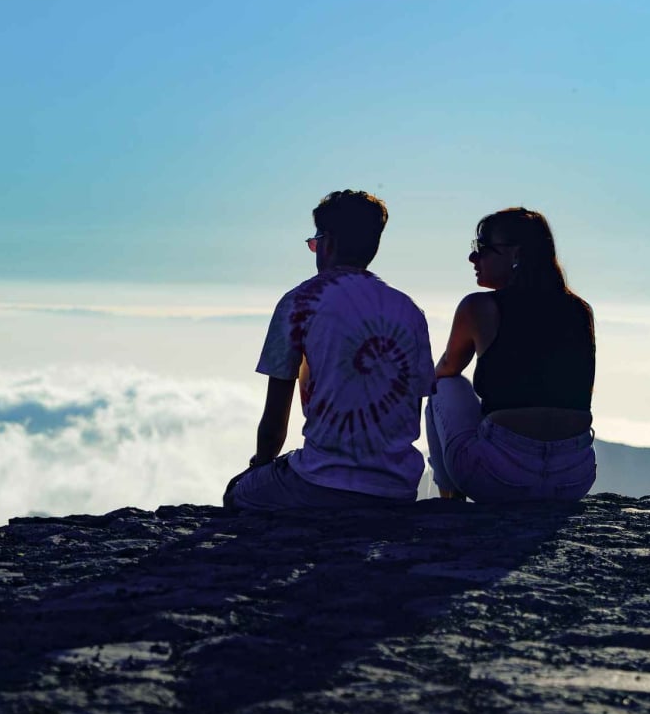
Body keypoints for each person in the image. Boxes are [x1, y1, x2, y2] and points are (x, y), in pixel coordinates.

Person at [225, 189, 434, 511]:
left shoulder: (300, 302)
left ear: (329, 242)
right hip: (397, 489)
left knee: (236, 492)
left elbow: (275, 419)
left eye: (315, 242)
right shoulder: (410, 311)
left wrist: (260, 465)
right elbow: (411, 409)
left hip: (319, 483)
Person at [426, 207, 596, 502]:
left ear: (516, 254)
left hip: (498, 478)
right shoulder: (580, 311)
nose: (473, 258)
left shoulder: (478, 308)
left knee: (444, 385)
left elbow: (445, 369)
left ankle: (450, 505)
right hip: (572, 480)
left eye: (482, 247)